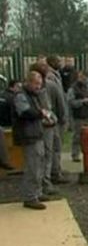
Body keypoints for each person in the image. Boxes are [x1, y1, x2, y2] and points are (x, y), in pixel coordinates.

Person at [12, 71, 52, 210]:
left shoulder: (34, 96)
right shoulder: (21, 95)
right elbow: (24, 112)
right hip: (28, 135)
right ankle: (30, 197)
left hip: (36, 134)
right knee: (32, 167)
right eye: (36, 84)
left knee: (39, 165)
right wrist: (41, 114)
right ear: (28, 82)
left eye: (40, 84)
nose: (38, 87)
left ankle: (37, 192)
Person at [30, 62, 65, 195]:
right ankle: (44, 182)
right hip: (43, 125)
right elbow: (54, 106)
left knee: (48, 153)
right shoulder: (44, 88)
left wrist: (59, 119)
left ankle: (47, 179)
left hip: (47, 124)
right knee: (44, 154)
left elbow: (60, 103)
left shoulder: (48, 86)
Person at [44, 56, 69, 183]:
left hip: (56, 115)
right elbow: (56, 98)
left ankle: (56, 170)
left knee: (56, 146)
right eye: (58, 61)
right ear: (52, 62)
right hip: (55, 118)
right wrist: (62, 115)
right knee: (55, 146)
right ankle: (54, 173)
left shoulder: (56, 75)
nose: (61, 63)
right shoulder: (50, 77)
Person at [67, 71, 88, 162]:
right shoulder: (73, 89)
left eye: (86, 78)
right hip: (78, 116)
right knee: (77, 136)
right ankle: (75, 154)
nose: (84, 79)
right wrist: (81, 102)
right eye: (82, 77)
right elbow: (70, 102)